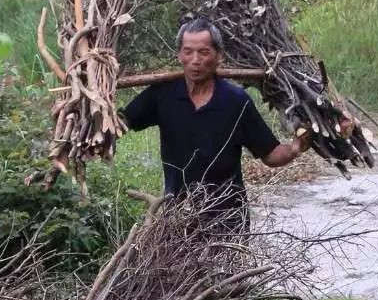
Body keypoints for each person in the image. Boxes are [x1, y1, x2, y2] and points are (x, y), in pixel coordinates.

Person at [122, 18, 309, 225]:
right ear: (179, 55)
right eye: (188, 51)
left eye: (203, 52)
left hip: (228, 219)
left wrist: (294, 149)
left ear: (219, 56)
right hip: (178, 217)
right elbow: (123, 121)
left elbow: (270, 154)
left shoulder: (235, 101)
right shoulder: (162, 94)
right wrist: (95, 126)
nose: (195, 60)